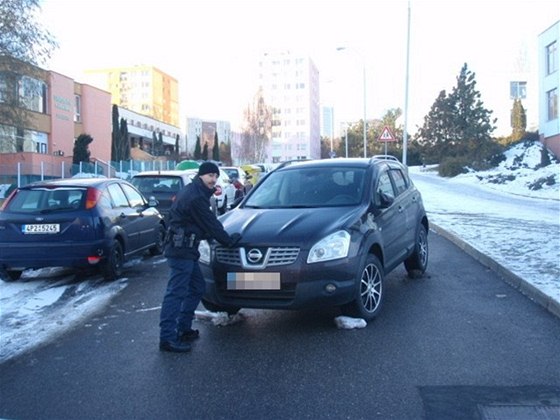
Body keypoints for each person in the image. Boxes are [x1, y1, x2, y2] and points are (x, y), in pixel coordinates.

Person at [159, 161, 241, 353]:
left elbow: (188, 220)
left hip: (185, 248)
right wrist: (228, 241)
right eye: (210, 175)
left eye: (215, 176)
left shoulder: (193, 190)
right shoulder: (196, 196)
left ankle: (183, 328)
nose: (213, 179)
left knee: (197, 287)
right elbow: (210, 223)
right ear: (201, 176)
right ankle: (167, 338)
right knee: (176, 293)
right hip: (181, 251)